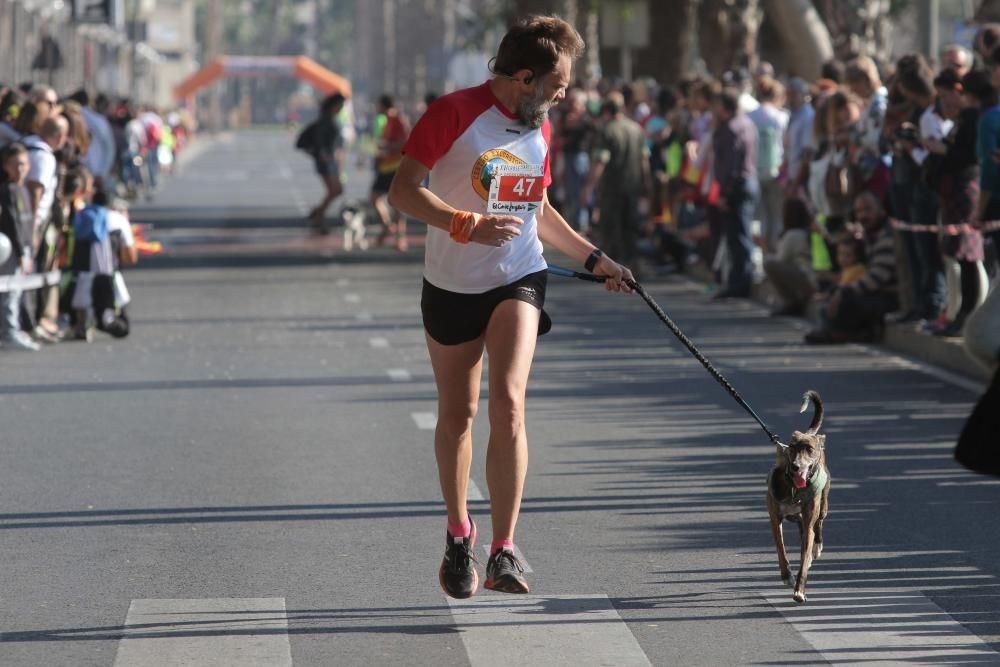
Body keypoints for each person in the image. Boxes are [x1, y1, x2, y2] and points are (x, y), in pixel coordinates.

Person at [388, 15, 633, 599]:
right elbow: (402, 191)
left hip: (519, 275)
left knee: (511, 402)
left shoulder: (536, 127)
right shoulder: (453, 113)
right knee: (458, 414)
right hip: (450, 283)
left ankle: (504, 549)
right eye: (558, 84)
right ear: (525, 77)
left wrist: (596, 257)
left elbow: (540, 212)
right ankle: (458, 532)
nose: (564, 95)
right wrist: (463, 224)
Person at [805, 191, 898, 344]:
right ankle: (834, 330)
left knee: (846, 298)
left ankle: (840, 333)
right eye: (859, 211)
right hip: (872, 292)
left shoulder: (887, 236)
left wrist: (842, 292)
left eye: (868, 209)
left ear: (880, 210)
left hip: (888, 296)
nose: (863, 216)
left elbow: (875, 279)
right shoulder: (868, 235)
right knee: (833, 293)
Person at [581, 91, 649, 271]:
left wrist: (589, 187)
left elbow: (600, 161)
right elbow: (644, 161)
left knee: (611, 228)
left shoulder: (608, 129)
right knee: (631, 227)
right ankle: (634, 264)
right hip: (633, 187)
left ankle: (613, 269)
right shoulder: (637, 129)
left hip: (612, 188)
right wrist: (646, 184)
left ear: (606, 111)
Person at [711, 88, 759, 299]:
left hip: (736, 186)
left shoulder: (731, 128)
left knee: (738, 236)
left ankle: (741, 283)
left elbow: (730, 166)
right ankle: (738, 280)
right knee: (739, 235)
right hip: (747, 183)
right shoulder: (747, 124)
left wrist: (724, 193)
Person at [0, 143, 40, 351]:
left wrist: (29, 244)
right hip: (9, 250)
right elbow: (11, 224)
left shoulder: (21, 189)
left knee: (16, 290)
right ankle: (8, 331)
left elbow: (25, 222)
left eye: (24, 164)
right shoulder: (7, 191)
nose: (21, 169)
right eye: (16, 165)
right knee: (10, 291)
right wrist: (21, 251)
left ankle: (12, 328)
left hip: (22, 247)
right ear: (6, 166)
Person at [747, 76, 788, 251]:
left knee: (759, 218)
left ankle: (760, 258)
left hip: (755, 171)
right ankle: (774, 255)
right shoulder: (782, 117)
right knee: (776, 216)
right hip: (776, 170)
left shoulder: (749, 116)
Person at [763, 197, 815, 316]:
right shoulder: (806, 231)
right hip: (812, 277)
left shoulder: (792, 235)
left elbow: (780, 260)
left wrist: (764, 248)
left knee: (769, 264)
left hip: (805, 279)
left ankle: (791, 301)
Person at [371, 95, 410, 250]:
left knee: (396, 203)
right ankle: (387, 226)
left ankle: (400, 238)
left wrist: (388, 147)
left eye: (378, 105)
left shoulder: (398, 119)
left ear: (383, 105)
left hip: (396, 166)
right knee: (375, 197)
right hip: (385, 165)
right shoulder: (387, 120)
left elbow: (405, 141)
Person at [303, 93, 346, 234]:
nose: (342, 108)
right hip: (326, 162)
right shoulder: (326, 119)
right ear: (335, 105)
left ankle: (318, 213)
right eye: (340, 105)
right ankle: (318, 215)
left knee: (336, 190)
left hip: (332, 161)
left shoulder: (331, 118)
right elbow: (320, 140)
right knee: (335, 190)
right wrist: (322, 154)